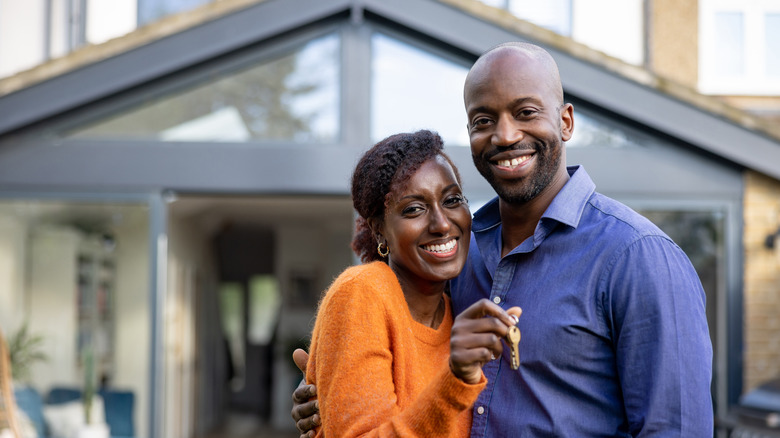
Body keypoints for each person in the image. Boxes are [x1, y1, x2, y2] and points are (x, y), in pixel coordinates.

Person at [293, 42, 714, 437]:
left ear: (565, 121)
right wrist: (336, 396)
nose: (505, 135)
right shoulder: (461, 255)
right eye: (483, 121)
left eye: (526, 112)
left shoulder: (638, 257)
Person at [302, 129, 522, 437]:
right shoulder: (362, 292)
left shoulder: (459, 306)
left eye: (452, 200)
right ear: (379, 230)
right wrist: (454, 381)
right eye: (414, 209)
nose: (442, 223)